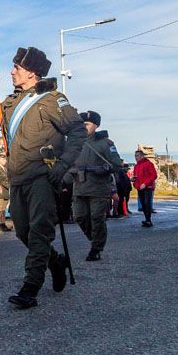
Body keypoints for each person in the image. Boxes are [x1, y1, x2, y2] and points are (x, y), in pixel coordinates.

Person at [0, 46, 86, 309]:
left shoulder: (51, 99)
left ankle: (30, 288)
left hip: (42, 176)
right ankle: (55, 262)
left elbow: (77, 132)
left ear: (32, 73)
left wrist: (62, 166)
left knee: (39, 233)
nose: (12, 72)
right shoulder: (12, 101)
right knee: (23, 233)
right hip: (18, 178)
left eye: (17, 68)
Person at [66, 110, 123, 262]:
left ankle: (96, 248)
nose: (83, 126)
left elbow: (117, 165)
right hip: (79, 187)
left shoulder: (106, 143)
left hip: (99, 188)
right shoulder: (74, 142)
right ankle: (95, 239)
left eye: (87, 124)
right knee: (80, 217)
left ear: (96, 125)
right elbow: (67, 163)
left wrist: (101, 169)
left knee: (97, 218)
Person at [132, 150, 157, 227]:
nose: (136, 158)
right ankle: (147, 219)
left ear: (142, 156)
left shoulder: (149, 164)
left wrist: (145, 184)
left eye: (137, 156)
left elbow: (154, 175)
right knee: (143, 204)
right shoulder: (136, 166)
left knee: (147, 203)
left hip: (148, 187)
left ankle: (148, 220)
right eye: (135, 156)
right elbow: (136, 177)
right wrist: (134, 181)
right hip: (140, 188)